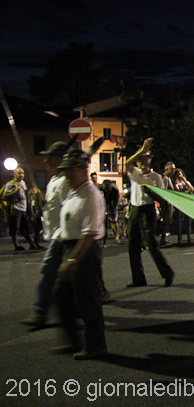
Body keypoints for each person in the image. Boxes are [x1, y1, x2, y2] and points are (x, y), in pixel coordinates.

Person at [54, 149, 108, 360]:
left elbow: (89, 233)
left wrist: (72, 261)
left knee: (88, 300)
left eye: (71, 170)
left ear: (83, 170)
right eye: (65, 170)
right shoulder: (74, 192)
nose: (67, 174)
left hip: (84, 250)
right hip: (71, 246)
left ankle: (96, 345)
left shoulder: (90, 195)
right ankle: (72, 340)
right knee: (62, 295)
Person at [21, 142, 71, 326]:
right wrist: (41, 201)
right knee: (63, 276)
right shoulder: (54, 180)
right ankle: (68, 305)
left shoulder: (65, 181)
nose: (46, 160)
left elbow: (69, 209)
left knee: (48, 271)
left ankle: (40, 311)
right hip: (55, 234)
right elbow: (51, 207)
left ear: (60, 159)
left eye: (50, 157)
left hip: (61, 235)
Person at [125, 138, 175, 287]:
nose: (142, 162)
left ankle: (167, 273)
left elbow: (162, 198)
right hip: (135, 209)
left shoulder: (156, 177)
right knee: (133, 246)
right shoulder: (134, 173)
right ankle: (138, 279)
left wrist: (150, 193)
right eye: (140, 159)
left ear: (149, 161)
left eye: (145, 159)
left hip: (148, 210)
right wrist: (141, 150)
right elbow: (127, 163)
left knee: (151, 244)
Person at [3, 167, 40, 250]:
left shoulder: (23, 183)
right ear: (14, 174)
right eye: (19, 173)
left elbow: (24, 194)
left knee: (25, 227)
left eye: (23, 173)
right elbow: (5, 195)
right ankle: (16, 245)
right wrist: (15, 190)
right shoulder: (10, 184)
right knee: (15, 227)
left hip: (23, 208)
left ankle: (31, 243)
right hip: (15, 208)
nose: (21, 175)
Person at [172, 168, 194, 246]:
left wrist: (185, 181)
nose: (180, 175)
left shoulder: (186, 182)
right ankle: (180, 239)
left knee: (188, 221)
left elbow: (192, 188)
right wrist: (187, 191)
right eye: (178, 174)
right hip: (180, 204)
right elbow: (179, 192)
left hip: (187, 204)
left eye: (180, 174)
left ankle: (189, 237)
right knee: (179, 221)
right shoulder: (175, 184)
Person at [159, 162, 175, 246]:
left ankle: (164, 238)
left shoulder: (168, 178)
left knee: (167, 221)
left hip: (167, 203)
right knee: (166, 221)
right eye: (172, 169)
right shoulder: (165, 178)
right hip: (166, 204)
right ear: (167, 169)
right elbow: (164, 191)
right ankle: (163, 239)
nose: (173, 171)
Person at [102, 180, 121, 245]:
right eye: (105, 189)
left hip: (111, 204)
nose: (106, 190)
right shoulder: (99, 188)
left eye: (107, 189)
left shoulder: (115, 191)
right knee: (103, 223)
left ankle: (117, 237)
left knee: (113, 221)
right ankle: (103, 240)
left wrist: (111, 211)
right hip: (102, 204)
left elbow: (115, 203)